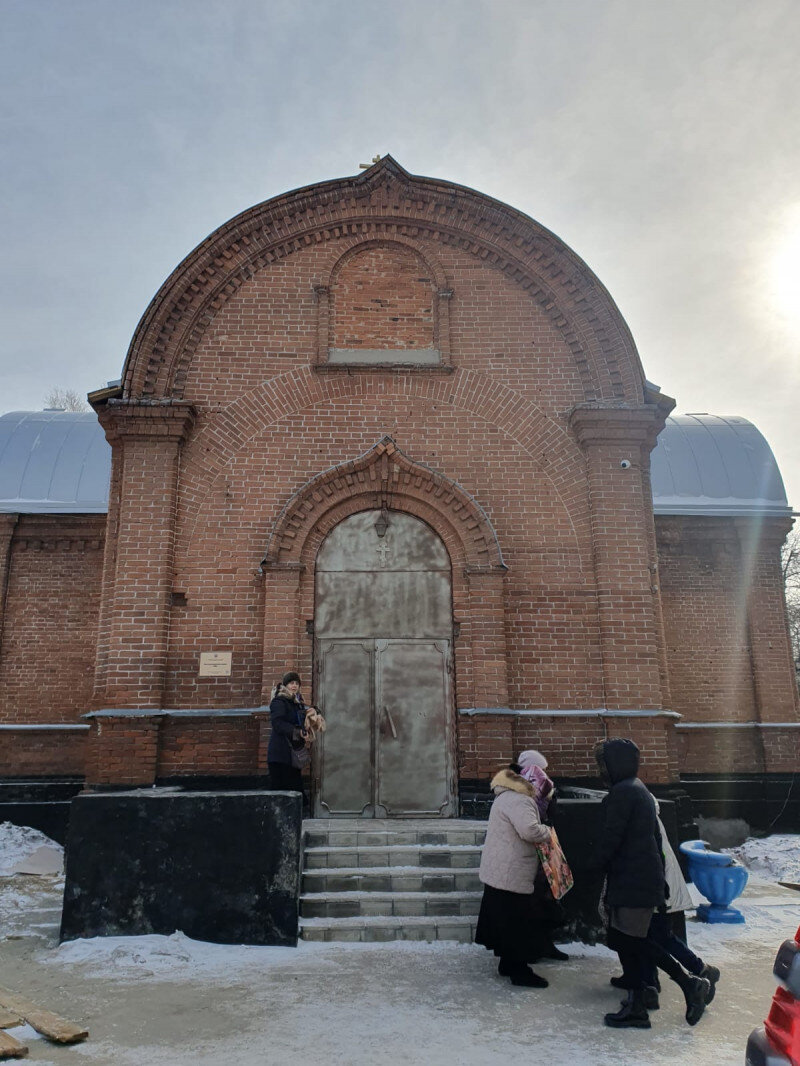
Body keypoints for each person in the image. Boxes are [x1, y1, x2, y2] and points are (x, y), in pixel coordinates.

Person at [595, 739, 710, 1029]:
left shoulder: (623, 793)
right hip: (642, 879)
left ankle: (686, 984)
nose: (601, 770)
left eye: (604, 763)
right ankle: (643, 1000)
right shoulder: (639, 790)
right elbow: (654, 840)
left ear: (616, 764)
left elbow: (612, 839)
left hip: (632, 881)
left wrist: (590, 865)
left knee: (632, 942)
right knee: (633, 942)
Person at [474, 758, 553, 988]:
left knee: (504, 920)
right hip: (512, 870)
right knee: (517, 921)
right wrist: (548, 831)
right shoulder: (521, 800)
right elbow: (529, 830)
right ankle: (519, 970)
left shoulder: (505, 796)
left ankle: (507, 963)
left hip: (500, 870)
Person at [517, 749, 570, 962]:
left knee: (547, 898)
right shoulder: (525, 792)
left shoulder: (546, 790)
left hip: (547, 852)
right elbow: (529, 825)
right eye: (541, 769)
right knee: (534, 901)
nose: (545, 774)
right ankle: (535, 946)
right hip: (532, 853)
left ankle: (546, 944)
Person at [268, 671, 314, 795]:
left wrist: (314, 713)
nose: (294, 686)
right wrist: (297, 732)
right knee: (281, 792)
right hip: (280, 753)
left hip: (292, 754)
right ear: (285, 685)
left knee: (294, 790)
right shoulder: (279, 701)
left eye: (297, 683)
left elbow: (300, 717)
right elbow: (277, 723)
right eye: (291, 683)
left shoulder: (296, 703)